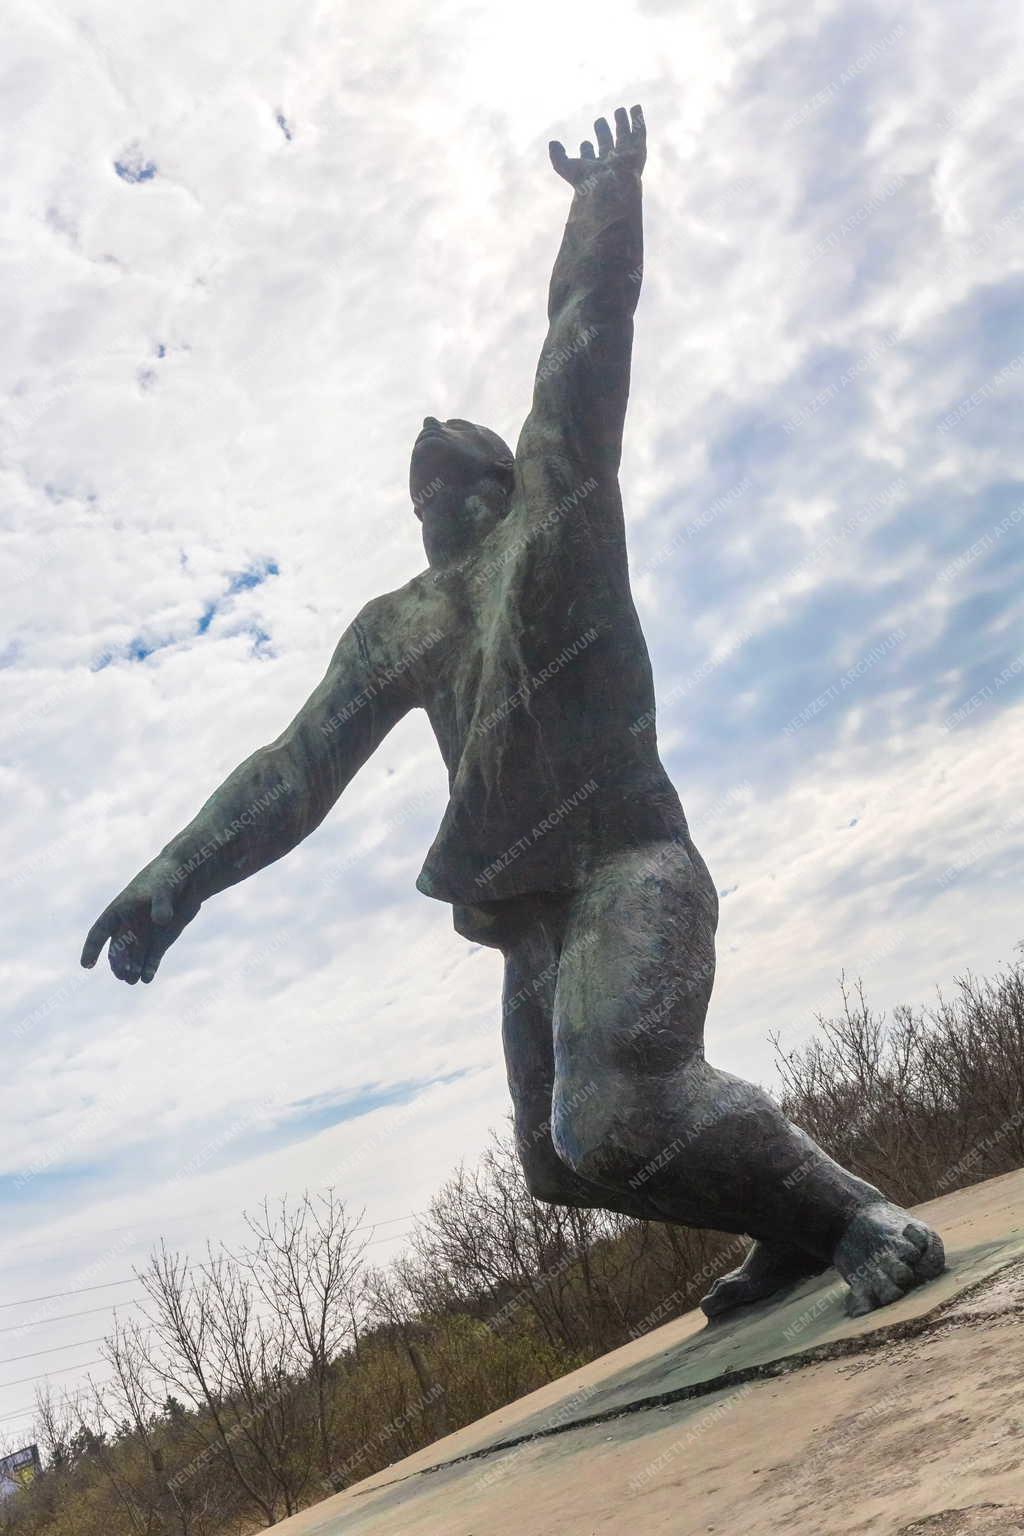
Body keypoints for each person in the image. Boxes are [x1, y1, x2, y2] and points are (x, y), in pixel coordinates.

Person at [82, 105, 944, 1318]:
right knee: (556, 1161)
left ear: (498, 479)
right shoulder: (398, 624)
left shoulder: (558, 518)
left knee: (616, 1107)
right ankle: (783, 1225)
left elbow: (582, 336)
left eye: (448, 470)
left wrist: (604, 198)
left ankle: (852, 1214)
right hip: (531, 918)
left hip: (630, 865)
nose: (428, 481)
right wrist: (176, 874)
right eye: (417, 483)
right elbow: (292, 769)